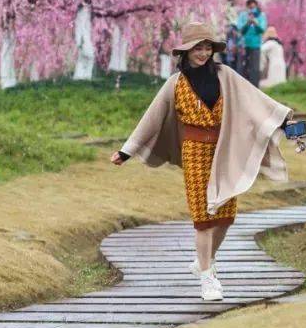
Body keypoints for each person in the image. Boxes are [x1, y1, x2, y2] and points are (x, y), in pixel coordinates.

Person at [111, 22, 294, 301]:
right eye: (198, 48)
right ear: (186, 51)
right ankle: (208, 278)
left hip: (224, 150)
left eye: (208, 47)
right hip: (194, 151)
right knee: (203, 219)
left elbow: (256, 101)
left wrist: (283, 119)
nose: (204, 53)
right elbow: (152, 118)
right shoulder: (175, 83)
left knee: (225, 216)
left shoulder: (225, 75)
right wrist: (127, 151)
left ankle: (203, 260)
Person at [235, 0, 267, 86]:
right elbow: (240, 29)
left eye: (254, 7)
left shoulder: (261, 16)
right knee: (242, 67)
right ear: (247, 6)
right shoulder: (243, 15)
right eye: (250, 7)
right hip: (244, 45)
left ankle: (255, 87)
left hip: (256, 45)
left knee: (255, 67)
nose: (252, 9)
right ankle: (242, 86)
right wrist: (247, 23)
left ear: (256, 6)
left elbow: (262, 29)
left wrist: (256, 23)